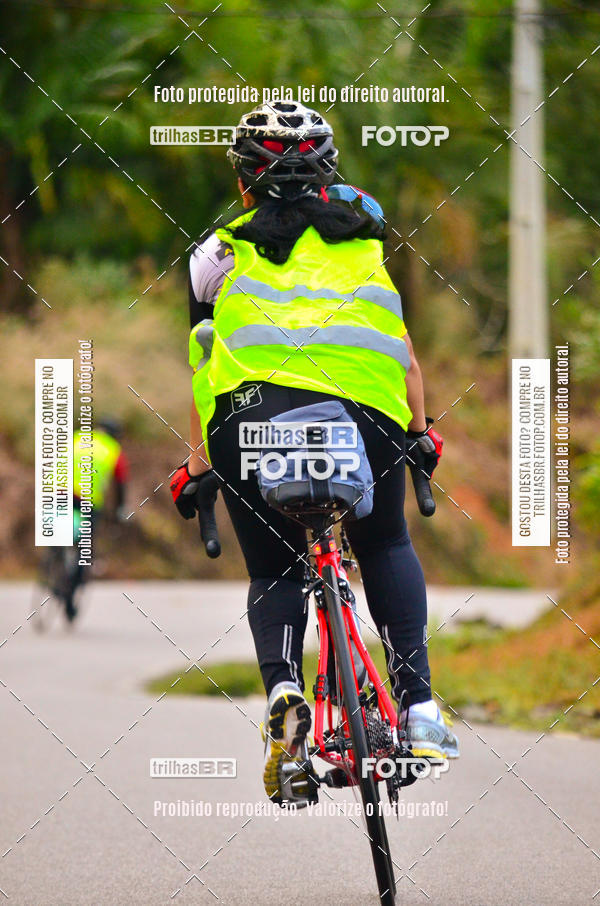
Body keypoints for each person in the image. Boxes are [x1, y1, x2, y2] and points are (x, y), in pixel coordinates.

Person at [170, 101, 458, 802]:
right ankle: (420, 709)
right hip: (365, 412)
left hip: (249, 418)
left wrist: (197, 471)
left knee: (274, 569)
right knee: (385, 541)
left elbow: (209, 362)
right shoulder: (364, 233)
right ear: (330, 173)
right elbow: (401, 350)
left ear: (244, 182)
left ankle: (283, 694)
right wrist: (420, 432)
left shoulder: (213, 255)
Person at [69, 417, 129, 617]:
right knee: (85, 547)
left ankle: (54, 558)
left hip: (57, 492)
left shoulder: (76, 437)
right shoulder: (113, 450)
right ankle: (72, 587)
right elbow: (120, 485)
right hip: (86, 500)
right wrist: (119, 511)